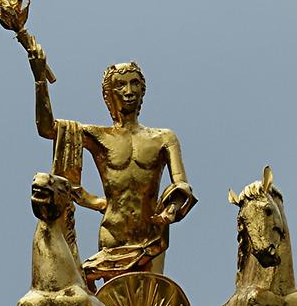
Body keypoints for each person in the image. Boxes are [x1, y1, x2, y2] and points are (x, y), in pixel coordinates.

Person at [27, 42, 196, 283]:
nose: (129, 90)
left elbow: (182, 186)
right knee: (104, 301)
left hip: (152, 236)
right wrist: (39, 79)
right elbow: (48, 129)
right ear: (109, 94)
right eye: (121, 85)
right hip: (112, 234)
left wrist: (170, 210)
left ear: (143, 90)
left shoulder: (164, 138)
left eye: (134, 83)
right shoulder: (99, 136)